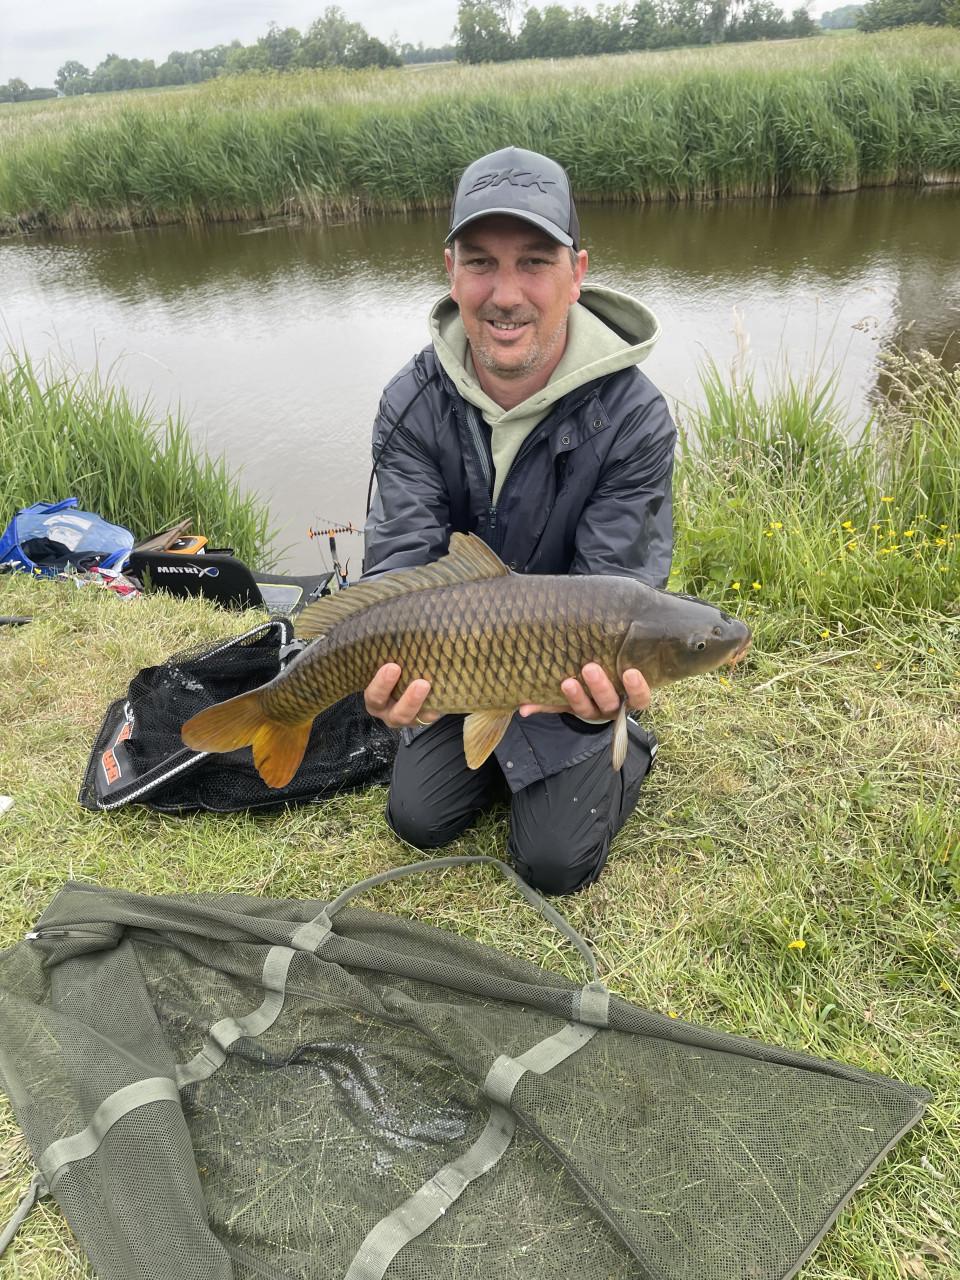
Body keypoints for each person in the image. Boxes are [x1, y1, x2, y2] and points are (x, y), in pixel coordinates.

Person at [361, 145, 677, 895]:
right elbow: (400, 566)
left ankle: (631, 745)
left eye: (534, 262)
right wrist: (375, 676)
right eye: (482, 263)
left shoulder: (633, 417)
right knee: (416, 817)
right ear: (451, 272)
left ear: (578, 272)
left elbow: (620, 592)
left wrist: (606, 692)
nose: (505, 293)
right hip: (457, 664)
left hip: (566, 676)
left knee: (554, 862)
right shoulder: (410, 403)